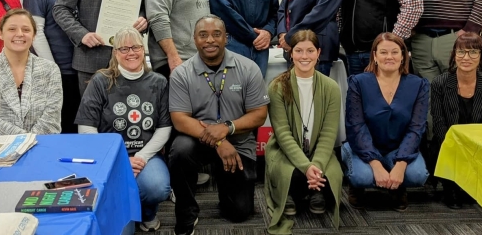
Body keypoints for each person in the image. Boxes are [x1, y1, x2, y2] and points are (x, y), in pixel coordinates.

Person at [168, 15, 268, 235]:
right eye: (203, 35)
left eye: (216, 34)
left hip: (239, 142)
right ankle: (186, 215)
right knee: (180, 150)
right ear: (194, 40)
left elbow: (260, 114)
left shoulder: (248, 68)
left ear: (226, 38)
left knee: (239, 212)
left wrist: (227, 128)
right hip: (199, 141)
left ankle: (227, 183)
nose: (210, 40)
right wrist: (220, 141)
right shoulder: (181, 74)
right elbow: (179, 119)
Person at [75, 28, 171, 232]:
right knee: (122, 230)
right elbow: (85, 129)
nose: (131, 53)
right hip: (109, 157)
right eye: (124, 48)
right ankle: (124, 211)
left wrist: (142, 157)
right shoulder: (101, 81)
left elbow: (164, 129)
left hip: (146, 156)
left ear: (143, 49)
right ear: (115, 52)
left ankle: (146, 213)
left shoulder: (159, 82)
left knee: (156, 186)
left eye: (136, 47)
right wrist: (120, 160)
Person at [264, 30, 342, 234]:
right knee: (291, 171)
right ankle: (298, 190)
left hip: (317, 150)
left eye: (310, 51)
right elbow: (282, 134)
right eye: (299, 51)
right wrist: (307, 167)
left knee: (333, 173)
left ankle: (314, 189)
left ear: (319, 53)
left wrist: (315, 165)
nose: (304, 56)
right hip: (286, 150)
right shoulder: (278, 86)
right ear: (291, 54)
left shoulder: (331, 87)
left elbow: (328, 134)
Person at [342, 33, 429, 211]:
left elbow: (416, 128)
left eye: (395, 52)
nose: (389, 57)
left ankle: (398, 186)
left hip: (398, 148)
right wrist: (375, 163)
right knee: (363, 177)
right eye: (383, 52)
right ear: (374, 56)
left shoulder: (419, 85)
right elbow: (356, 126)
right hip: (362, 147)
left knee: (418, 175)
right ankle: (357, 187)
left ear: (404, 55)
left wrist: (401, 164)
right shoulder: (358, 83)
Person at [430, 33, 482, 208]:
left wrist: (469, 148)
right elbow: (438, 121)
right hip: (447, 143)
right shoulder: (440, 83)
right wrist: (454, 146)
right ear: (454, 55)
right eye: (461, 52)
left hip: (476, 144)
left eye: (473, 52)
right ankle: (449, 185)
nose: (466, 57)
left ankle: (471, 183)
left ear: (481, 56)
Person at [0, 9, 62, 136]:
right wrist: (24, 140)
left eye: (26, 30)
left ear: (33, 35)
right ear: (1, 33)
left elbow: (51, 121)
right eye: (12, 29)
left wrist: (29, 143)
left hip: (39, 145)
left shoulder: (51, 70)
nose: (20, 34)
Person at [23, 0, 80, 134]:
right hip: (58, 69)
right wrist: (51, 67)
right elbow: (36, 33)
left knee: (78, 120)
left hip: (79, 66)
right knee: (63, 123)